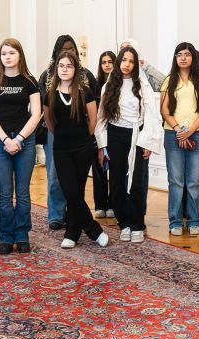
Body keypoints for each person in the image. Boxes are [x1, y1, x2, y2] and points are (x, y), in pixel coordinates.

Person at [97, 45, 162, 243]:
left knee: (137, 181)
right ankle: (124, 222)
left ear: (136, 64)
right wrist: (102, 145)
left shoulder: (142, 85)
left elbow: (151, 115)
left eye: (131, 61)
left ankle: (137, 224)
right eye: (124, 60)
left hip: (137, 135)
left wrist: (149, 142)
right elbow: (101, 117)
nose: (127, 64)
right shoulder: (109, 85)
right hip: (115, 135)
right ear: (119, 62)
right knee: (116, 181)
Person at [0, 38, 42, 254]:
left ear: (20, 55)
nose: (7, 57)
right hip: (1, 142)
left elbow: (36, 114)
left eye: (11, 53)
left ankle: (22, 235)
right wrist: (6, 140)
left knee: (24, 193)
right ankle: (6, 237)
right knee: (5, 194)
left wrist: (18, 139)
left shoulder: (30, 81)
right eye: (3, 54)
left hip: (24, 142)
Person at [45, 51, 105, 248]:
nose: (64, 69)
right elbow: (49, 122)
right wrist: (64, 136)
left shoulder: (85, 91)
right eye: (61, 66)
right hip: (61, 148)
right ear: (56, 69)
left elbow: (93, 120)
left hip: (83, 148)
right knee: (69, 190)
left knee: (77, 191)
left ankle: (72, 232)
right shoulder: (50, 94)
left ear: (75, 69)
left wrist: (83, 139)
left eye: (69, 66)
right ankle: (93, 230)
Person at [160, 42, 199, 236]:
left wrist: (189, 130)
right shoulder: (168, 81)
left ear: (193, 58)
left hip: (197, 133)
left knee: (194, 181)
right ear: (175, 58)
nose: (183, 57)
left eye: (187, 54)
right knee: (176, 181)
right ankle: (175, 221)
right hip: (173, 134)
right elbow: (164, 110)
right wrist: (178, 129)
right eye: (179, 54)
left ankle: (193, 220)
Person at [39, 35, 81, 231]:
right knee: (55, 174)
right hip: (54, 131)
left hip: (79, 132)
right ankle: (56, 214)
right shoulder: (46, 76)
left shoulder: (85, 76)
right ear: (56, 52)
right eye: (64, 48)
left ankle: (74, 212)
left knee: (75, 176)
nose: (69, 51)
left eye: (72, 48)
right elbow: (43, 108)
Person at [91, 50, 118, 220]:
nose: (107, 65)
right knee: (99, 170)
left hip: (115, 131)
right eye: (104, 62)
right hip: (98, 130)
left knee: (115, 170)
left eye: (110, 61)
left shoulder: (119, 84)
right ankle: (100, 204)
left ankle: (114, 205)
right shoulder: (95, 84)